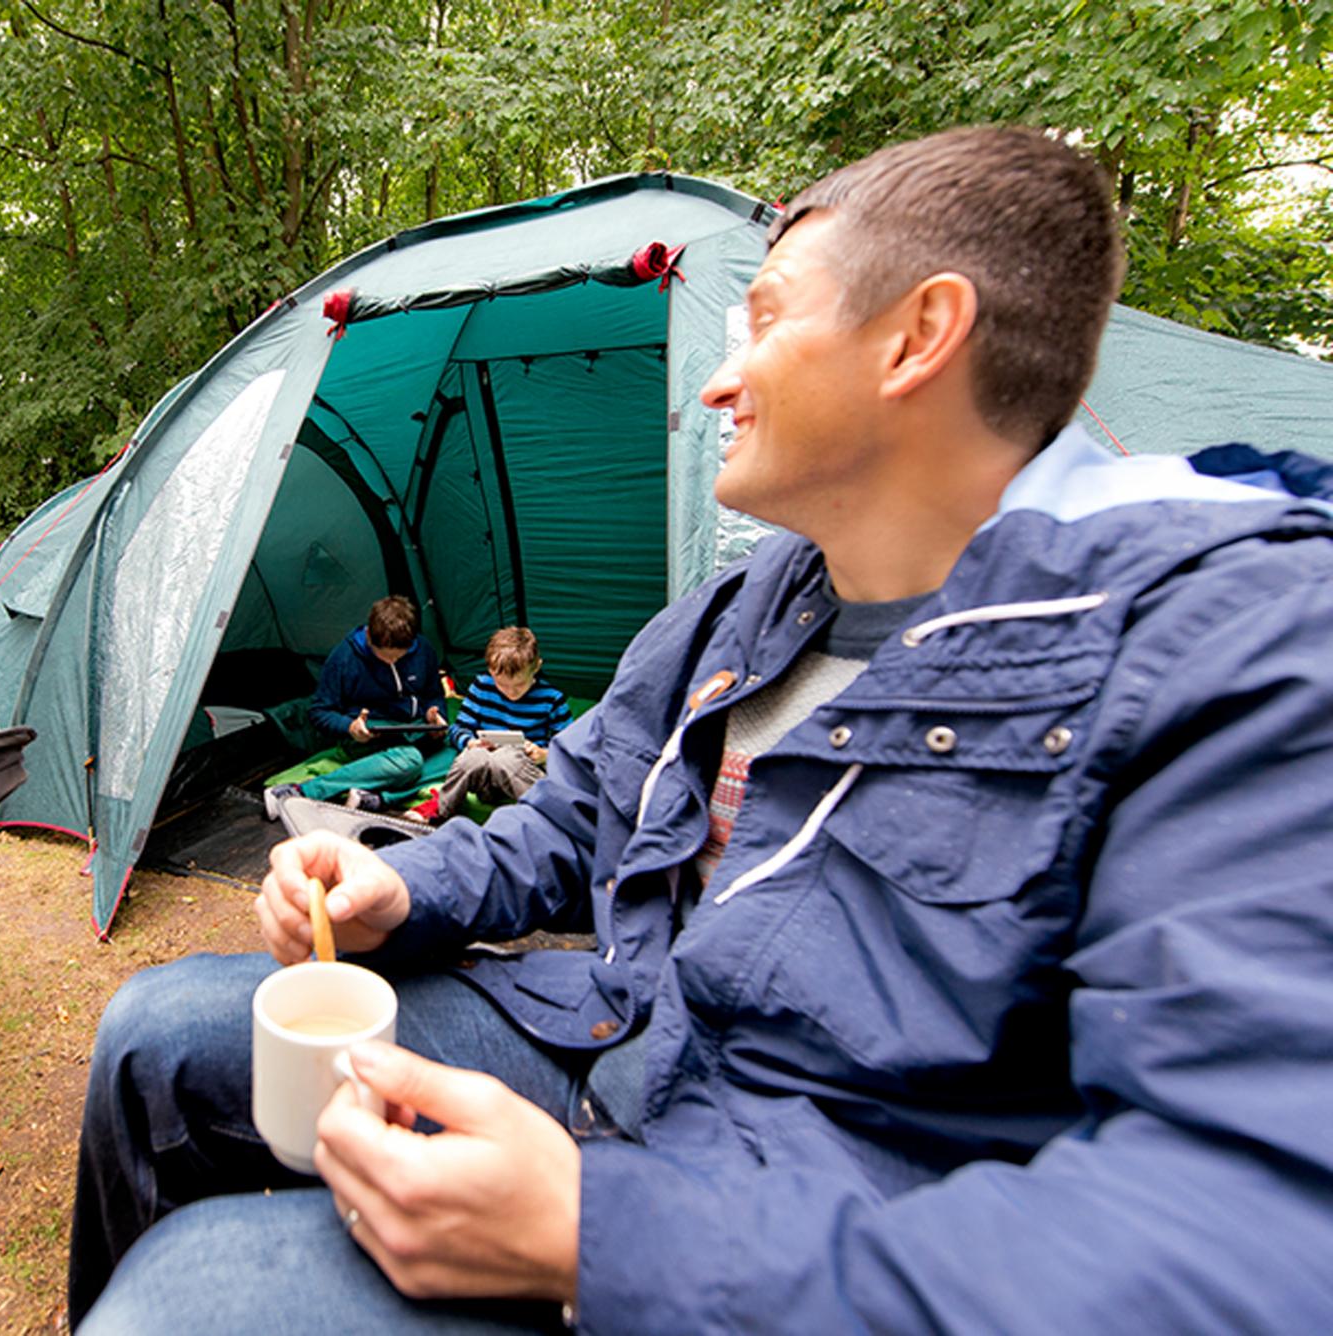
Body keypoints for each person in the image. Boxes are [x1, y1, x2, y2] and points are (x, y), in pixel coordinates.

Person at [67, 126, 1333, 1333]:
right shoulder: (742, 606)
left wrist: (598, 1234)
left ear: (917, 338)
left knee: (195, 1293)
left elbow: (1253, 1234)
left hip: (832, 1191)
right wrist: (400, 882)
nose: (718, 375)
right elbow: (570, 816)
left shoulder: (1224, 640)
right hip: (627, 1028)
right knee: (157, 1038)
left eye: (767, 314)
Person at [262, 594, 447, 817]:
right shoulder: (345, 657)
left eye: (398, 658)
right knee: (410, 761)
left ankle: (374, 799)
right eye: (384, 657)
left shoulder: (423, 649)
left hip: (417, 732)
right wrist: (350, 727)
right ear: (369, 636)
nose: (391, 663)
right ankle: (298, 791)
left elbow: (434, 694)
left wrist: (435, 717)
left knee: (464, 750)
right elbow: (319, 712)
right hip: (370, 738)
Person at [411, 626, 571, 825]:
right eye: (502, 685)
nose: (511, 692)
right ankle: (439, 810)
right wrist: (470, 743)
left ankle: (551, 815)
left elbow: (567, 751)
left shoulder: (551, 699)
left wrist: (543, 754)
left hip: (521, 774)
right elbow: (457, 730)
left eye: (519, 685)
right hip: (484, 779)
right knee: (472, 757)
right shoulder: (482, 687)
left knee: (506, 757)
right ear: (490, 670)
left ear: (536, 667)